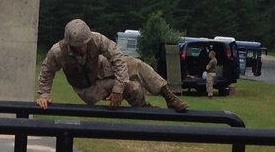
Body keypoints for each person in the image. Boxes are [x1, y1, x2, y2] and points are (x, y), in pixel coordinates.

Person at [36, 19, 188, 113]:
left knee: (136, 64)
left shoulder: (97, 39)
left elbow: (117, 57)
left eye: (85, 44)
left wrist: (117, 89)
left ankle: (169, 96)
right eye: (78, 45)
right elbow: (47, 71)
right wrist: (44, 94)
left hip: (101, 67)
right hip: (88, 88)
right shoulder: (58, 52)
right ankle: (142, 107)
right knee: (131, 87)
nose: (82, 48)